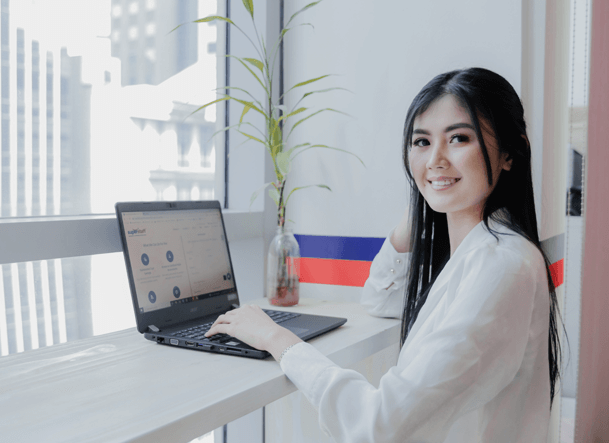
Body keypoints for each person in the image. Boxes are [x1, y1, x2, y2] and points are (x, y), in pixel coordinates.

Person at [205, 67, 564, 442]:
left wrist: (275, 339)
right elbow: (379, 298)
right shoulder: (477, 250)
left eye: (458, 138)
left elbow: (377, 425)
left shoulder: (503, 264)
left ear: (509, 153)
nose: (435, 159)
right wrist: (418, 215)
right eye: (422, 142)